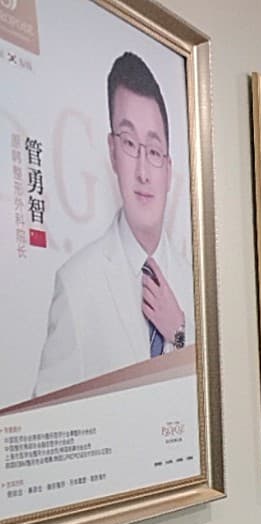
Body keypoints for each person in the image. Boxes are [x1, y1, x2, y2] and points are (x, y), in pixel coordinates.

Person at [34, 52, 193, 396]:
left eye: (154, 151)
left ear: (168, 169)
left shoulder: (194, 282)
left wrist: (179, 334)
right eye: (129, 144)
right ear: (112, 151)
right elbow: (48, 415)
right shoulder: (77, 284)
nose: (143, 171)